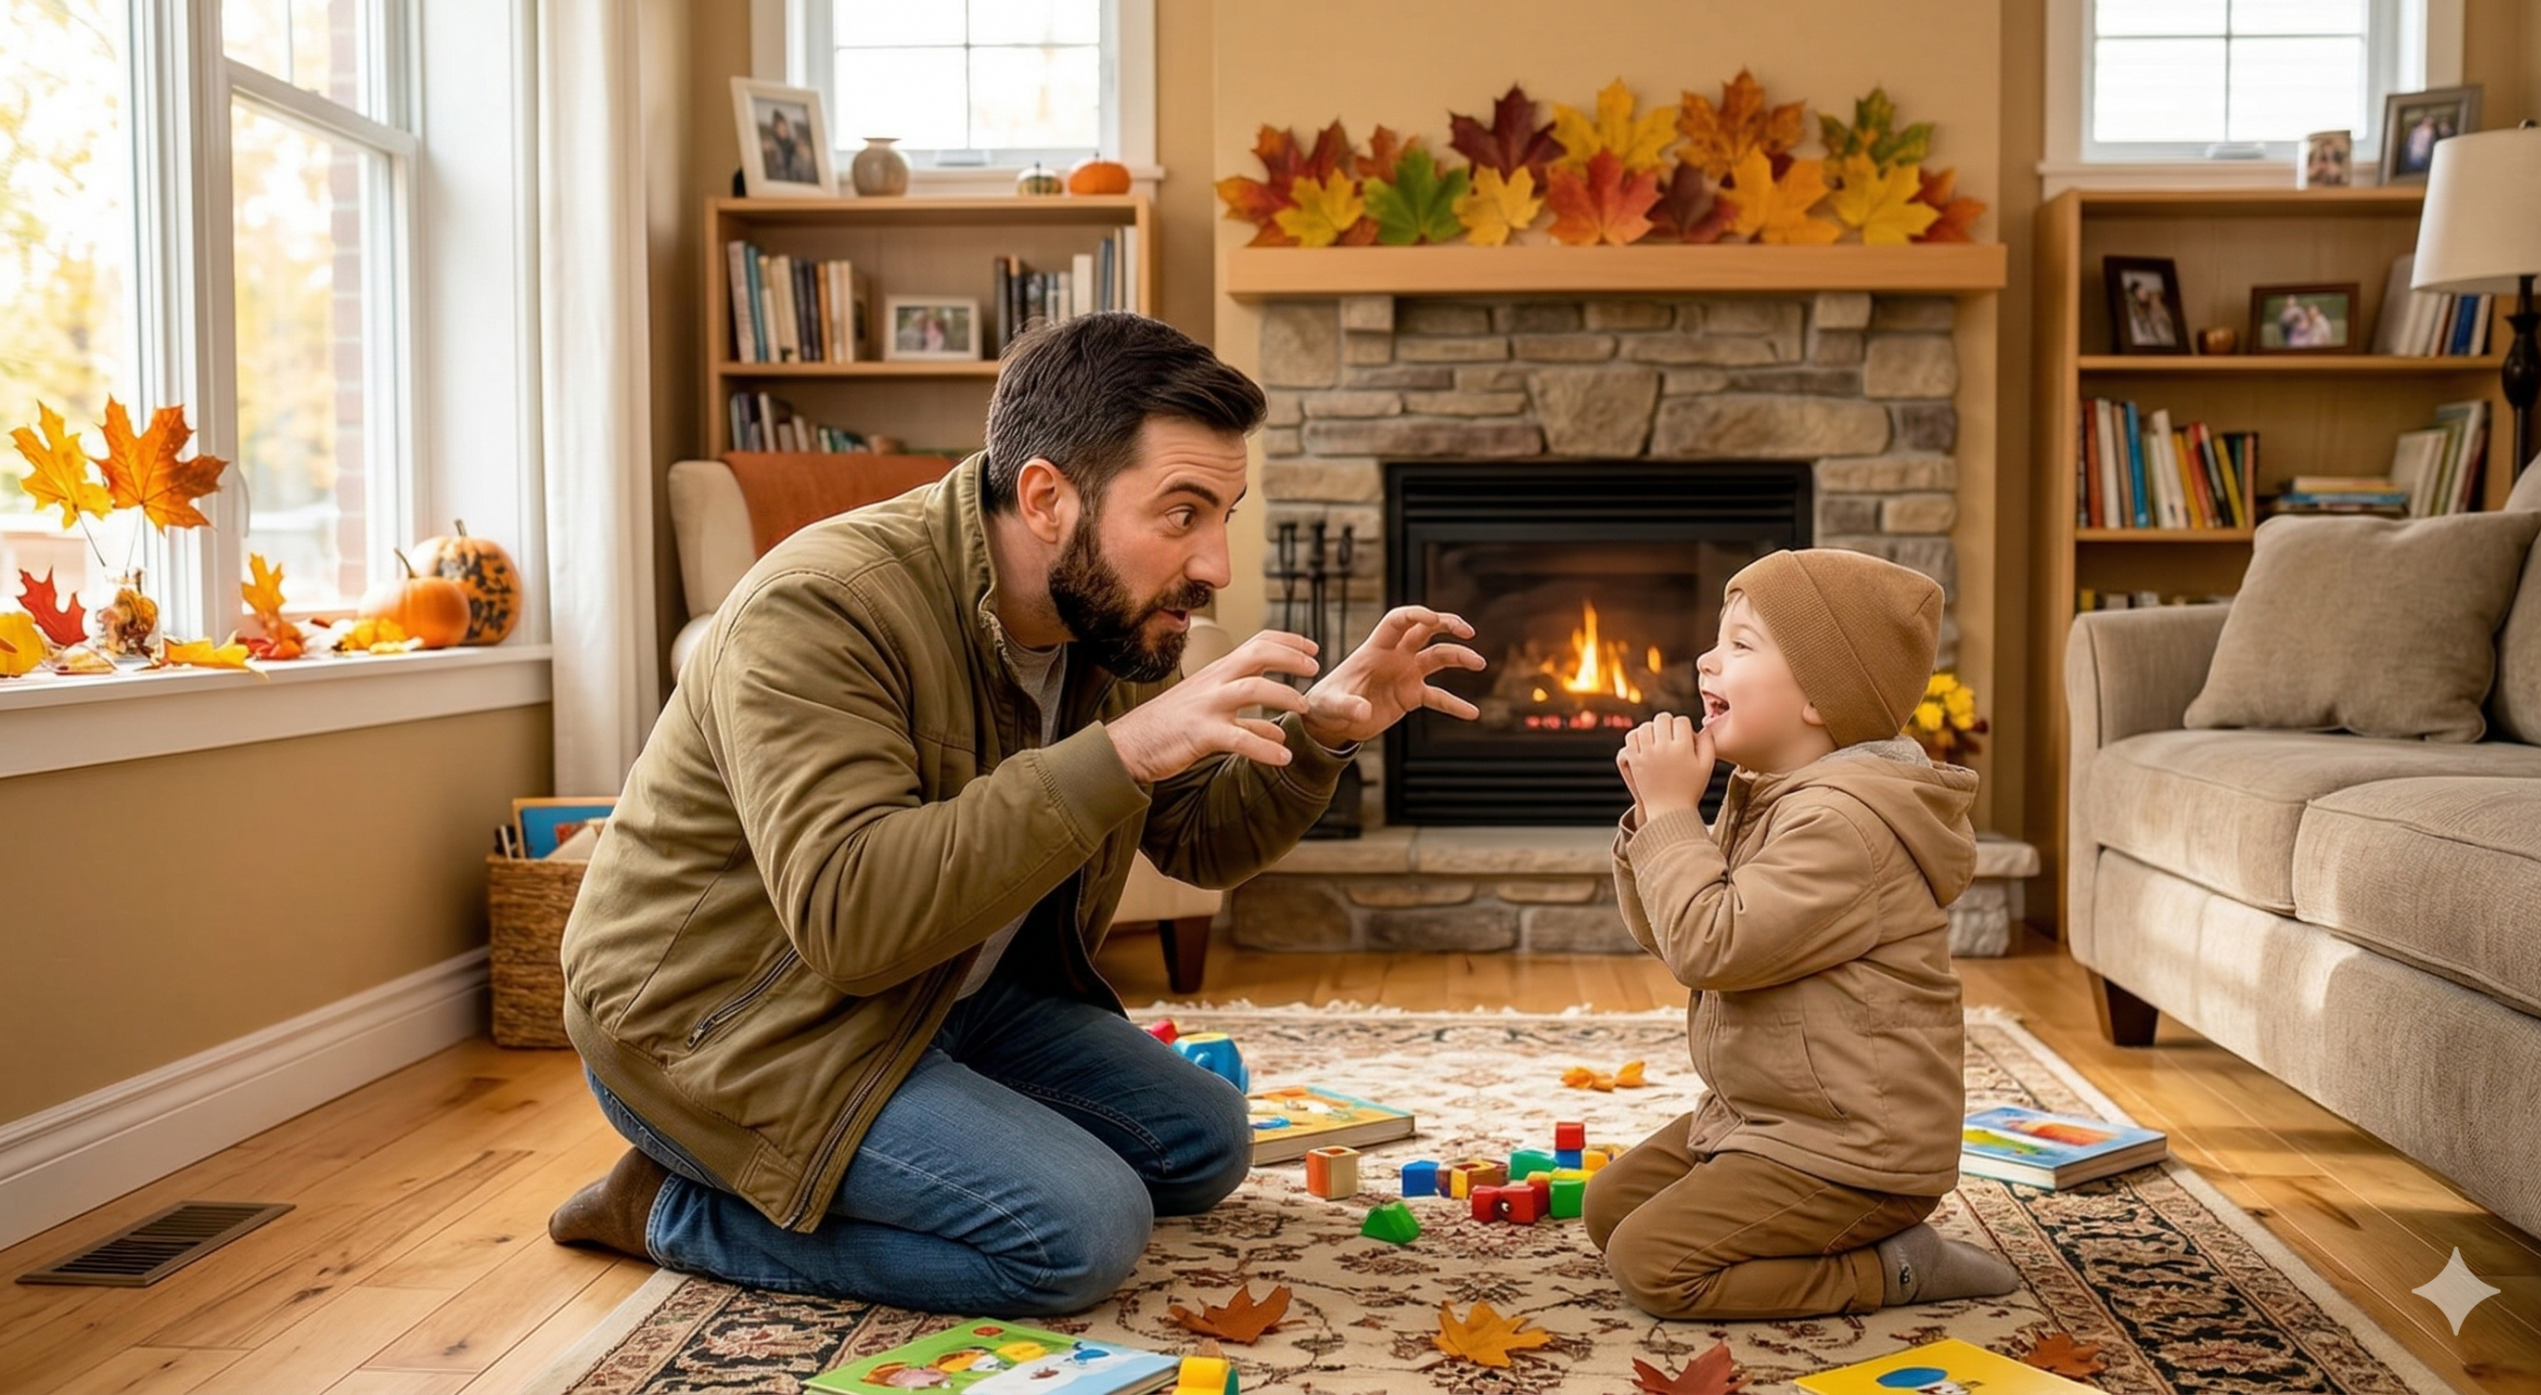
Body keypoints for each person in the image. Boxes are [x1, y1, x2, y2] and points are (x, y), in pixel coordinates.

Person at [547, 312, 1484, 1316]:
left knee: (1207, 1141)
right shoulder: (822, 605)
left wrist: (1320, 740)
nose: (1214, 564)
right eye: (1181, 514)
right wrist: (1126, 749)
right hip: (731, 1023)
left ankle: (897, 1141)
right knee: (1077, 1235)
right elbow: (849, 923)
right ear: (1046, 498)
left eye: (1226, 515)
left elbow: (1199, 845)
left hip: (950, 993)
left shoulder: (1098, 617)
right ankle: (666, 1209)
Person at [1586, 548, 2019, 1319]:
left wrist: (1676, 815)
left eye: (1740, 645)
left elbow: (1709, 946)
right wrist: (1656, 820)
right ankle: (1805, 1230)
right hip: (1769, 1117)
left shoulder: (1843, 824)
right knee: (1607, 1209)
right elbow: (1672, 929)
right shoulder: (1770, 793)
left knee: (1652, 1266)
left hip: (1855, 1150)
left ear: (1820, 697)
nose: (1705, 659)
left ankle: (1895, 1268)